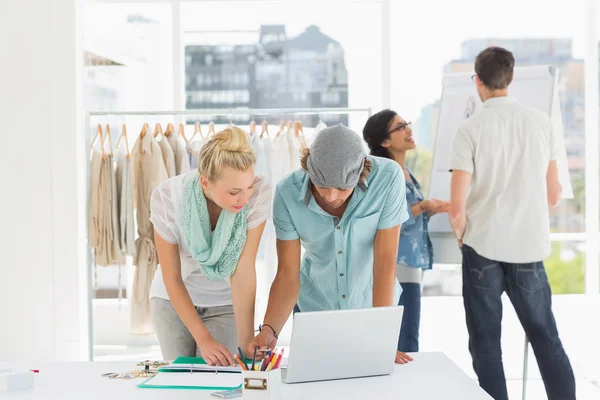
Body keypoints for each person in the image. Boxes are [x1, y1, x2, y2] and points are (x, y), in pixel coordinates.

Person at [449, 46, 575, 400]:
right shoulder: (540, 122)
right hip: (528, 248)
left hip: (482, 249)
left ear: (478, 81)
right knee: (546, 338)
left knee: (486, 343)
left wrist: (462, 236)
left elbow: (457, 208)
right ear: (511, 77)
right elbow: (553, 195)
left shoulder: (468, 129)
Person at [248, 123, 414, 364]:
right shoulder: (287, 194)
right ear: (309, 170)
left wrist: (381, 337)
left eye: (343, 188)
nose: (331, 196)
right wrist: (268, 331)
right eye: (322, 186)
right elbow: (287, 274)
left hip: (371, 307)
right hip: (316, 312)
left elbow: (385, 263)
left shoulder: (387, 178)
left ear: (360, 174)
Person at [149, 126, 271, 366]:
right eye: (234, 192)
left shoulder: (258, 193)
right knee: (182, 384)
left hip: (226, 302)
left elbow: (244, 270)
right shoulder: (167, 197)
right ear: (205, 183)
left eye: (248, 187)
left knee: (222, 380)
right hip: (173, 300)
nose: (244, 199)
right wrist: (204, 340)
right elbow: (171, 277)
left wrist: (247, 344)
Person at [363, 110, 449, 353]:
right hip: (397, 263)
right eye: (400, 127)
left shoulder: (404, 171)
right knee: (405, 340)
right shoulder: (383, 174)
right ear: (384, 141)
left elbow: (405, 215)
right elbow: (386, 219)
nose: (408, 130)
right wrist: (422, 206)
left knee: (408, 336)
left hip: (409, 263)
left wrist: (429, 210)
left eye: (407, 124)